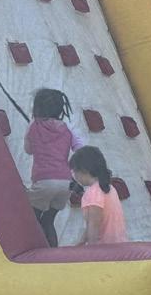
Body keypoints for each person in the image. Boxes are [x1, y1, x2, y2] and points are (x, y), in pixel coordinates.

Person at [24, 88, 84, 247]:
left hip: (44, 181)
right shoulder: (67, 128)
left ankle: (36, 252)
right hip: (66, 183)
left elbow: (28, 150)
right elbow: (80, 148)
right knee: (48, 221)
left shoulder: (33, 126)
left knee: (32, 218)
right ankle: (54, 254)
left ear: (37, 108)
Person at [69, 146, 126, 245]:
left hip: (104, 248)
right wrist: (81, 242)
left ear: (84, 170)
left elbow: (93, 227)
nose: (75, 176)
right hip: (119, 245)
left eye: (75, 171)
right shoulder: (108, 188)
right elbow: (91, 224)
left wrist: (92, 251)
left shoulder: (92, 194)